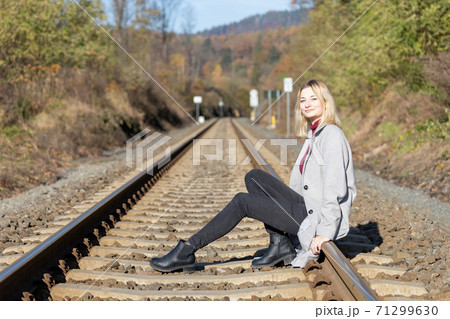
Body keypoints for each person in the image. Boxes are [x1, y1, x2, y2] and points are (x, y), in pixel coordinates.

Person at [150, 79, 357, 273]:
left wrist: (325, 232)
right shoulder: (315, 134)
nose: (307, 104)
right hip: (308, 209)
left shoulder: (331, 135)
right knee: (254, 176)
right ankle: (279, 245)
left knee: (242, 201)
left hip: (316, 218)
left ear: (325, 101)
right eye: (303, 100)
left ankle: (188, 249)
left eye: (313, 98)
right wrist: (283, 213)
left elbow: (335, 187)